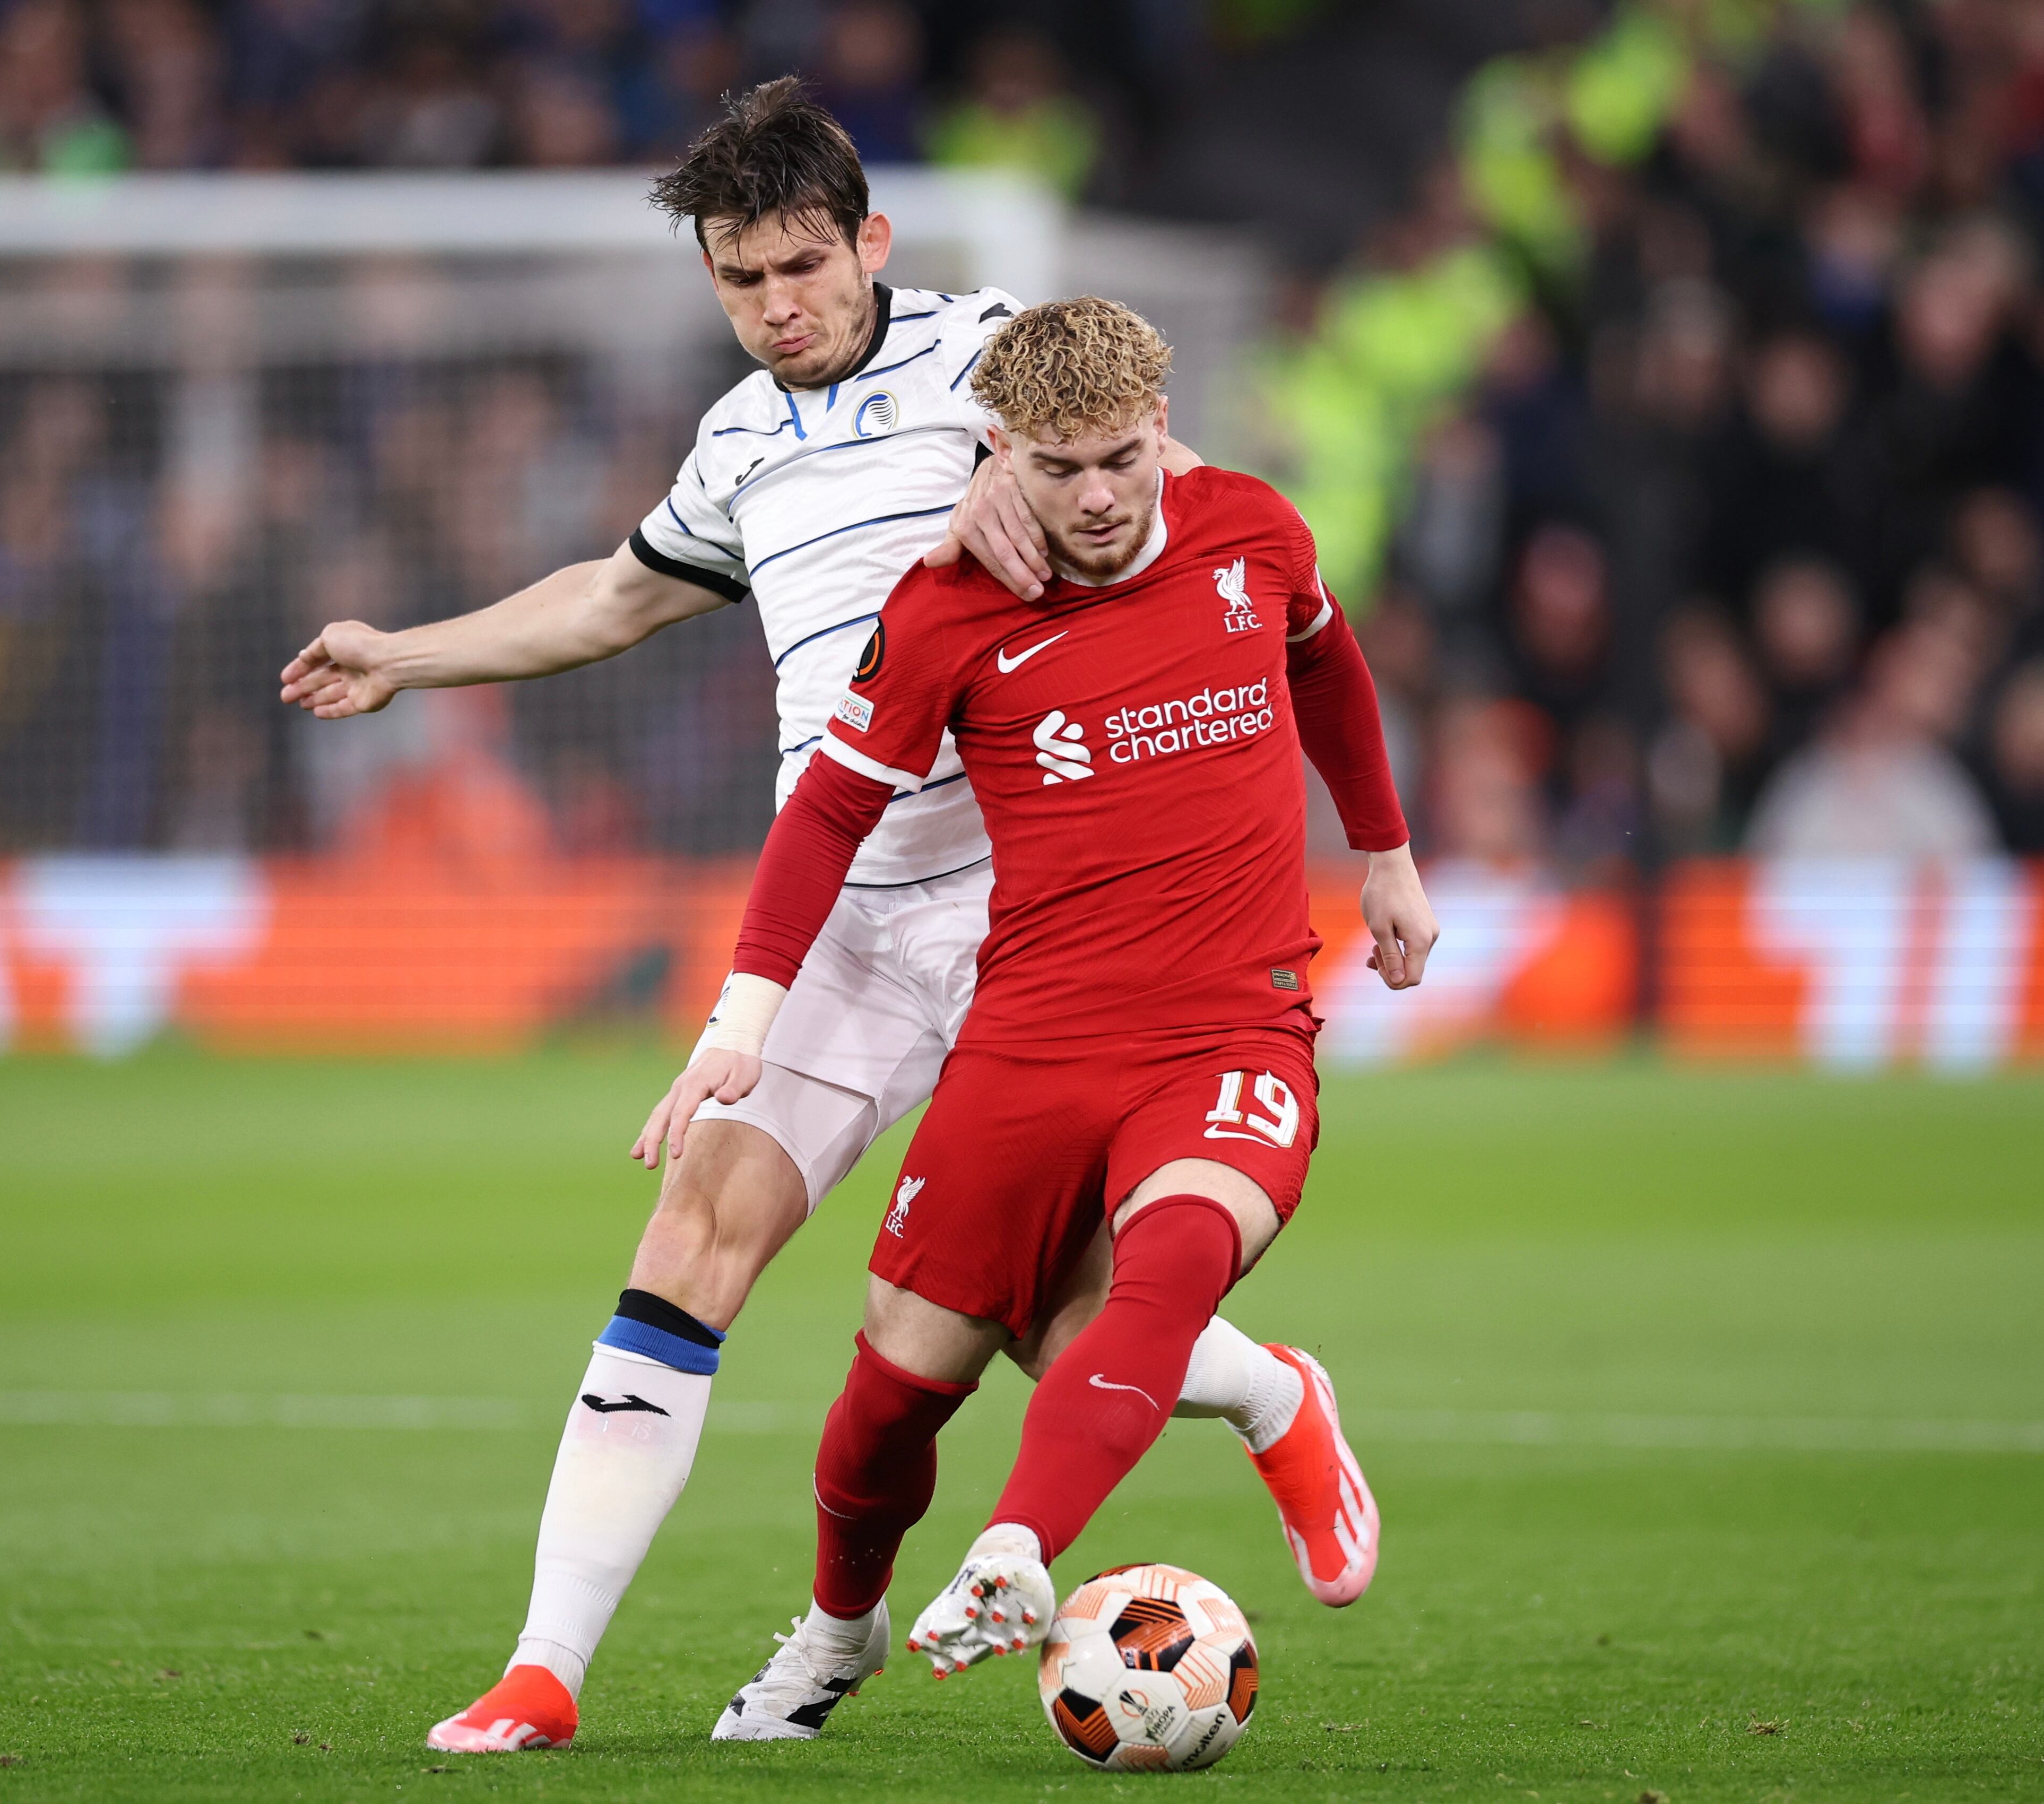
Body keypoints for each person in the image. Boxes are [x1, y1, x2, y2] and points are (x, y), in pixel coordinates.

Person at [279, 82, 1367, 1754]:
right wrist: (404, 652)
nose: (776, 306)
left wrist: (1017, 503)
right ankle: (546, 1667)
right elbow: (615, 597)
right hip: (850, 913)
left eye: (801, 265)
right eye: (740, 280)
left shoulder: (1002, 354)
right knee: (689, 1240)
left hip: (1047, 913)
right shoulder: (735, 441)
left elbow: (1177, 514)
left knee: (1047, 1331)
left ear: (869, 242)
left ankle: (1276, 1397)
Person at [642, 297, 1437, 1727]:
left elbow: (1324, 655)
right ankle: (836, 1634)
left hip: (1228, 1029)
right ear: (996, 449)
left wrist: (1383, 851)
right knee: (890, 1398)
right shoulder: (945, 608)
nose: (1093, 497)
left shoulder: (1251, 530)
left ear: (1161, 428)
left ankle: (1017, 1544)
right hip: (1027, 1041)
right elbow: (828, 809)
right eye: (1057, 466)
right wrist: (741, 1020)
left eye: (1120, 461)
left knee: (1170, 1262)